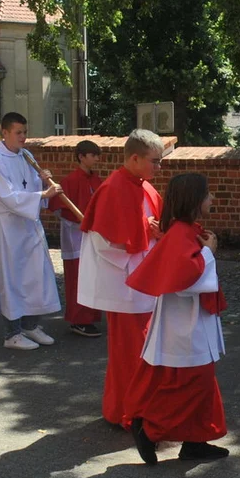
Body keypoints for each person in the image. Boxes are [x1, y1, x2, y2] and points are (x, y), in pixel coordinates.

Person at [126, 173, 229, 464]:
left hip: (192, 319)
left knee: (203, 383)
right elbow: (186, 282)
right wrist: (209, 254)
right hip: (185, 322)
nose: (212, 199)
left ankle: (195, 441)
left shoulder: (184, 231)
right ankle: (150, 428)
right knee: (194, 382)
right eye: (208, 194)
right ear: (195, 200)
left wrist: (205, 252)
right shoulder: (180, 234)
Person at [78, 130, 164, 427]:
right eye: (155, 161)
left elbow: (151, 226)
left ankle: (132, 408)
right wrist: (144, 228)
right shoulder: (114, 187)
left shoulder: (145, 186)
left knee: (141, 350)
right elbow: (103, 242)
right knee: (129, 353)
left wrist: (155, 230)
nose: (159, 167)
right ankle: (128, 412)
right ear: (135, 158)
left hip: (143, 282)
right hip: (125, 286)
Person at [0, 112, 62, 350]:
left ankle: (30, 325)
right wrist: (42, 195)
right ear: (5, 133)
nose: (23, 137)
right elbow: (8, 196)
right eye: (18, 132)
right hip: (8, 228)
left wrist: (42, 180)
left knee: (35, 275)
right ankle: (12, 334)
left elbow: (29, 185)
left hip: (28, 225)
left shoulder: (26, 155)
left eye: (25, 132)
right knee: (12, 278)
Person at [50, 139, 104, 337]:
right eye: (93, 155)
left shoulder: (96, 180)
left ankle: (90, 317)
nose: (97, 159)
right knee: (77, 279)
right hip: (76, 237)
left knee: (93, 278)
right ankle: (78, 319)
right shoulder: (70, 181)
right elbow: (57, 208)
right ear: (81, 156)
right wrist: (77, 221)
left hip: (94, 236)